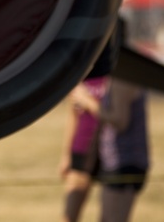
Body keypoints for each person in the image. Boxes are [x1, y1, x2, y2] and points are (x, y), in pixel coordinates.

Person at [72, 77, 149, 222]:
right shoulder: (117, 78)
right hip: (114, 160)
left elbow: (120, 121)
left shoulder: (123, 80)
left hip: (125, 161)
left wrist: (88, 102)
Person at [59, 75, 108, 221]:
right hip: (81, 147)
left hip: (109, 150)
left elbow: (117, 116)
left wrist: (87, 101)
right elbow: (73, 116)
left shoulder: (112, 78)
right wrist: (66, 155)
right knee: (69, 215)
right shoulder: (81, 74)